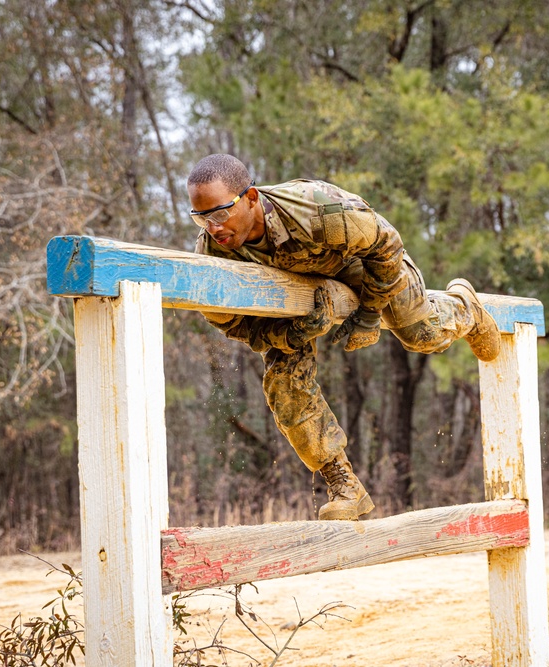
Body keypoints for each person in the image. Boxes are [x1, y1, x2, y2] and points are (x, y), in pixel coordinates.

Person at [188, 153, 501, 521]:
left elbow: (387, 247)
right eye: (201, 217)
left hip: (364, 266)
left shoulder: (316, 210)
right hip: (297, 298)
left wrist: (369, 313)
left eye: (221, 213)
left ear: (252, 198)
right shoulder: (211, 259)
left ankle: (465, 307)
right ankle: (344, 486)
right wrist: (296, 333)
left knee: (421, 333)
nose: (213, 227)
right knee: (284, 385)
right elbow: (237, 326)